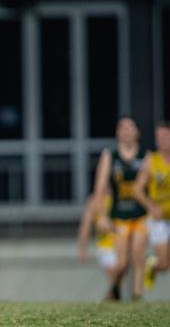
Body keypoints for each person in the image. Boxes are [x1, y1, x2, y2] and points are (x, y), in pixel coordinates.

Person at [91, 116, 147, 300]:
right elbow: (99, 188)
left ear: (137, 132)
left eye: (131, 127)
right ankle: (114, 290)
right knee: (122, 262)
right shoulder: (110, 156)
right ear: (117, 132)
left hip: (140, 215)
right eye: (123, 128)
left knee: (138, 254)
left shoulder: (146, 156)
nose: (127, 131)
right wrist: (101, 216)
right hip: (119, 215)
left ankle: (137, 296)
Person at [133, 121, 170, 291]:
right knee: (164, 264)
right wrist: (151, 207)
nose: (161, 140)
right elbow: (137, 190)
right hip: (159, 219)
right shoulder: (151, 161)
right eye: (158, 136)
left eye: (165, 136)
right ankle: (153, 266)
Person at [77, 193, 120, 300]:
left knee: (118, 279)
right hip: (105, 247)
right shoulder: (94, 201)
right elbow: (85, 227)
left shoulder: (120, 195)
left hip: (121, 245)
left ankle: (111, 302)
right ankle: (111, 302)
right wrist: (83, 250)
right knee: (115, 279)